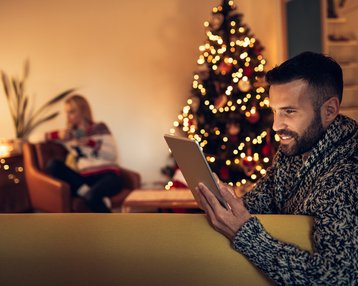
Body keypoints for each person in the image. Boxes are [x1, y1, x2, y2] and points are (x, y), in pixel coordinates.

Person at [194, 51, 357, 285]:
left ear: (329, 111)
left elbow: (337, 278)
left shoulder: (346, 176)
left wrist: (244, 235)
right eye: (274, 111)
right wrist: (227, 202)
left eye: (289, 111)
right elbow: (263, 200)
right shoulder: (297, 147)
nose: (276, 126)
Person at [45, 94, 123, 213]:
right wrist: (57, 135)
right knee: (53, 165)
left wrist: (90, 143)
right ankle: (90, 194)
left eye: (72, 112)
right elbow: (33, 138)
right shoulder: (68, 135)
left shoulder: (99, 128)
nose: (68, 116)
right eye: (66, 113)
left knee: (92, 196)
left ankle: (112, 227)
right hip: (85, 179)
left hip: (108, 176)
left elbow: (113, 155)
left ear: (82, 111)